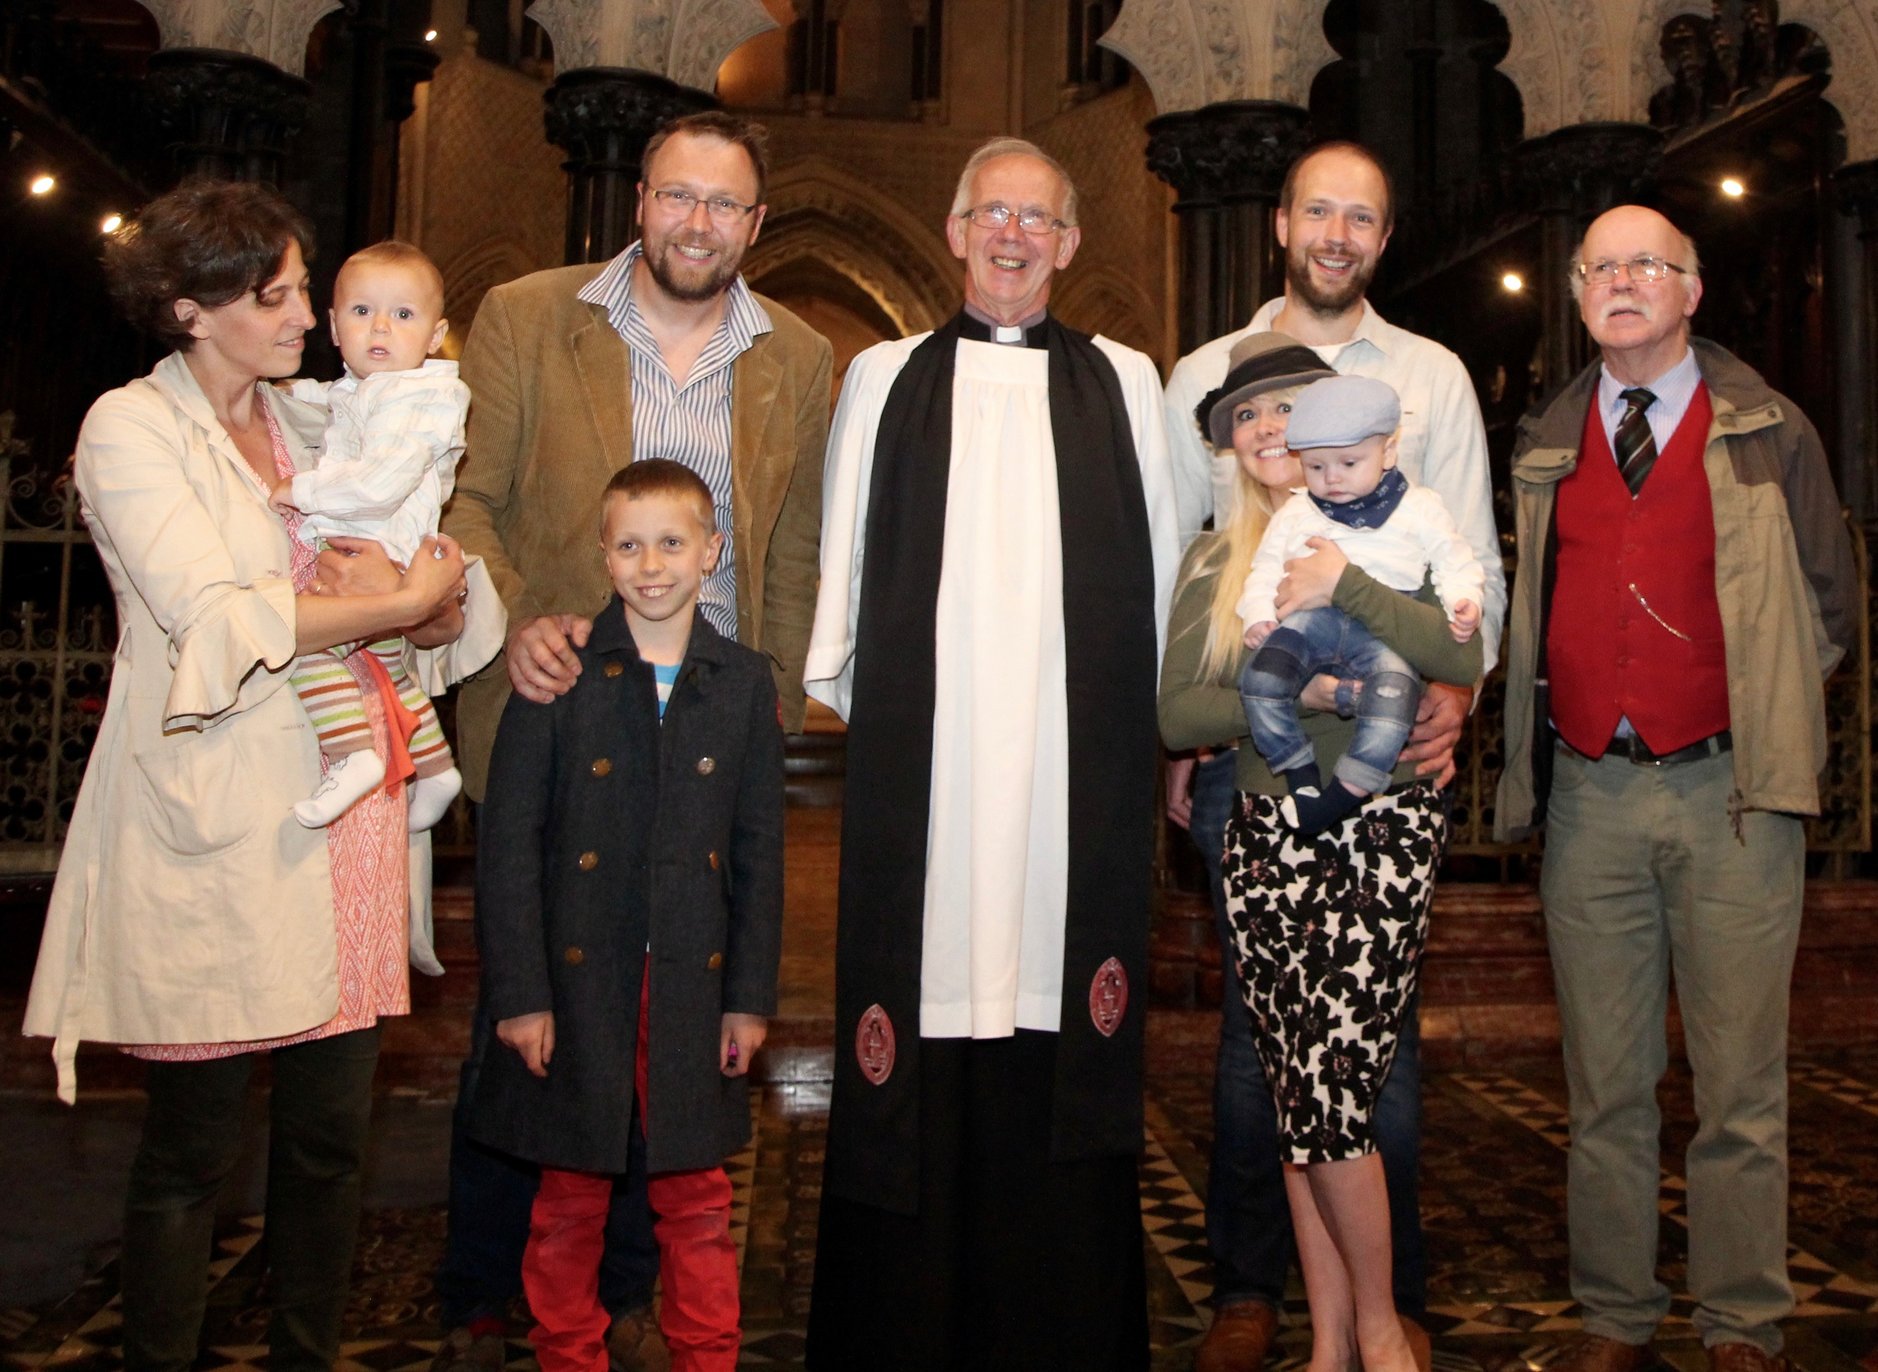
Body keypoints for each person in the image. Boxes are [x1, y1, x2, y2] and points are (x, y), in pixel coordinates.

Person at [21, 178, 497, 1372]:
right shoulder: (132, 429)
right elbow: (215, 617)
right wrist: (400, 600)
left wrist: (439, 611)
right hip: (223, 818)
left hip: (346, 814)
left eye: (302, 288)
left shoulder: (319, 420)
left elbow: (421, 546)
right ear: (191, 308)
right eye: (275, 295)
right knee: (194, 1152)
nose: (305, 316)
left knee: (331, 1139)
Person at [436, 109, 831, 1372]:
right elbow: (474, 504)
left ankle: (624, 1301)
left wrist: (769, 702)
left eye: (724, 204)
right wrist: (511, 633)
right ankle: (486, 1300)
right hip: (560, 711)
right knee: (539, 1011)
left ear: (754, 224)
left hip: (709, 731)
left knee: (674, 1017)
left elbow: (795, 544)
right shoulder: (526, 313)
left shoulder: (802, 354)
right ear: (640, 202)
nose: (698, 222)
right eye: (677, 195)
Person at [801, 136, 1178, 1370]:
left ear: (1069, 244)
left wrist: (1157, 732)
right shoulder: (885, 376)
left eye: (1039, 219)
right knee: (928, 994)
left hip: (1078, 774)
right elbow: (848, 576)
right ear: (957, 230)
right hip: (937, 771)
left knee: (1061, 1013)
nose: (1013, 235)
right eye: (991, 213)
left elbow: (1164, 570)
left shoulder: (1125, 381)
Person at [1495, 205, 1858, 1372]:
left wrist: (1768, 707)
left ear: (1692, 291)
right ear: (1578, 292)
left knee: (1742, 1084)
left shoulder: (1768, 428)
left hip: (1733, 795)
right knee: (1604, 1085)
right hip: (1592, 796)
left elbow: (1830, 604)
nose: (1622, 281)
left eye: (1647, 264)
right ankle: (1613, 1314)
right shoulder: (1546, 439)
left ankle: (1740, 1321)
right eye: (1600, 266)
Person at [1161, 139, 1503, 1372]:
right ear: (1284, 222)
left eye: (1363, 214)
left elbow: (1472, 571)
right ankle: (1255, 1291)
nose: (1338, 232)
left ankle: (1380, 1304)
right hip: (1248, 787)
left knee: (1366, 1055)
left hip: (1386, 776)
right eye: (1320, 209)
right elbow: (1177, 570)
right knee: (1265, 1047)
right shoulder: (1202, 376)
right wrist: (1188, 731)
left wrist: (1459, 694)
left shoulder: (1434, 378)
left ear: (1384, 234)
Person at [466, 460, 784, 1372]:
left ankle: (705, 1358)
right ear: (604, 555)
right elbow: (511, 849)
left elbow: (760, 857)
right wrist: (521, 998)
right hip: (578, 986)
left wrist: (749, 1001)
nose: (652, 565)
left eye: (673, 543)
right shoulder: (561, 676)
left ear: (711, 552)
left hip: (693, 982)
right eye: (631, 544)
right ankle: (569, 1354)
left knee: (697, 1200)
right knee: (568, 1198)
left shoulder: (741, 682)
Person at [271, 239, 469, 830]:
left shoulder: (424, 401)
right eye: (362, 312)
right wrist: (283, 392)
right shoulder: (372, 387)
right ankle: (436, 769)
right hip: (374, 541)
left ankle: (353, 754)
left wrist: (298, 491)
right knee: (385, 658)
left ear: (435, 337)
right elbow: (333, 398)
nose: (380, 326)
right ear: (334, 326)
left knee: (308, 648)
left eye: (402, 315)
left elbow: (381, 483)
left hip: (380, 539)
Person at [1237, 375, 1484, 834]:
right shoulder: (1297, 511)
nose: (1331, 479)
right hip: (1311, 622)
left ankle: (1343, 794)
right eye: (1314, 467)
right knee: (1259, 678)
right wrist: (1258, 615)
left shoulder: (1421, 507)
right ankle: (1297, 767)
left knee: (1393, 703)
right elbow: (1266, 568)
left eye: (1348, 463)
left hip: (1382, 631)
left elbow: (1457, 560)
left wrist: (1464, 599)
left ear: (1387, 452)